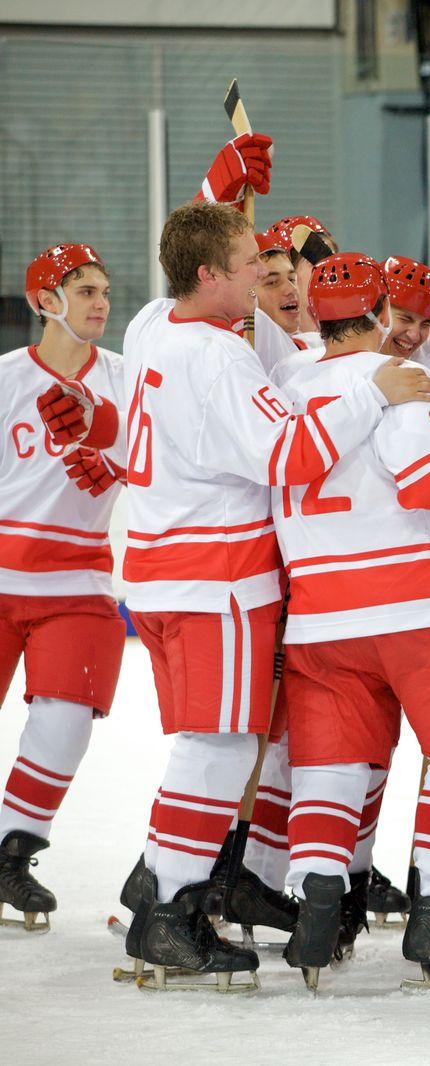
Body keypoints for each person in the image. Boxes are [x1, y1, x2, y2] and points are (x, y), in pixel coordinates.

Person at [112, 200, 430, 989]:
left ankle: (158, 885)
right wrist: (375, 392)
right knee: (218, 747)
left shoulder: (153, 322)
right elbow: (288, 454)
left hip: (160, 570)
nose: (263, 269)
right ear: (208, 274)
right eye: (248, 260)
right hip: (215, 576)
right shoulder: (216, 359)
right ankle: (172, 911)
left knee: (212, 744)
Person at [270, 252, 430, 989]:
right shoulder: (402, 383)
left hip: (317, 617)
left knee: (332, 765)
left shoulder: (287, 385)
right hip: (412, 606)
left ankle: (319, 900)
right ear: (381, 314)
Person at [0, 244, 124, 931]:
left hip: (77, 585)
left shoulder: (127, 380)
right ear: (46, 299)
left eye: (104, 289)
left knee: (66, 720)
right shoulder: (6, 379)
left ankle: (11, 853)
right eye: (84, 290)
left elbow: (160, 461)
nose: (100, 301)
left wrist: (120, 467)